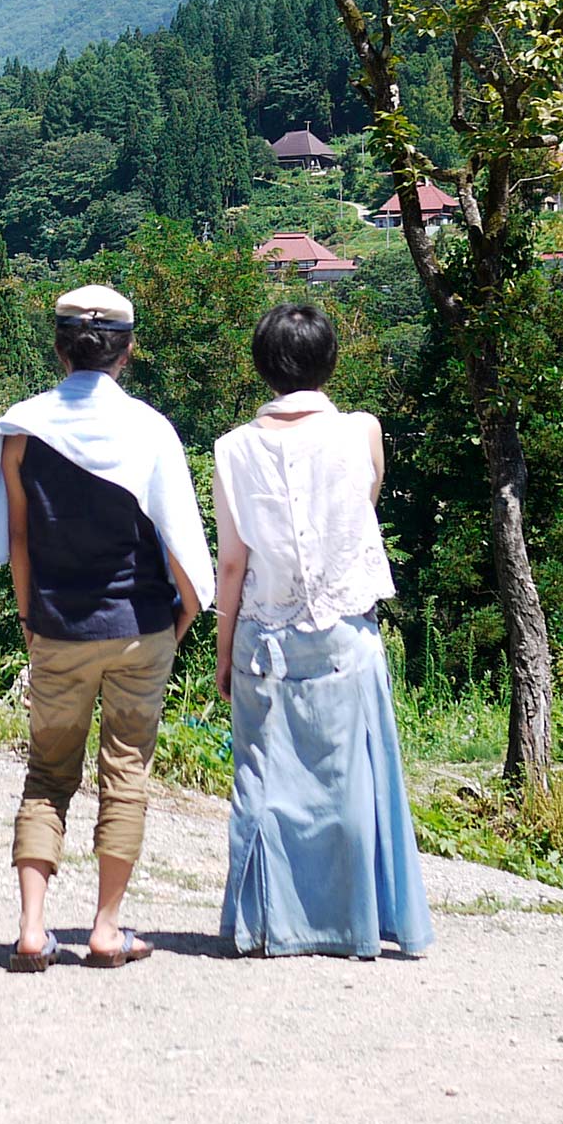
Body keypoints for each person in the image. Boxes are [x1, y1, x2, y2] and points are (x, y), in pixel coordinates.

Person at [0, 284, 210, 972]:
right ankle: (106, 929)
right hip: (141, 625)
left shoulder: (20, 430)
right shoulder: (149, 429)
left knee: (47, 773)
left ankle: (33, 930)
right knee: (125, 774)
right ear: (128, 351)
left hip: (57, 625)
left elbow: (17, 538)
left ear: (58, 345)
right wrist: (181, 618)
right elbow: (183, 544)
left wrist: (28, 621)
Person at [210, 302, 432, 958]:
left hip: (265, 635)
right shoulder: (363, 431)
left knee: (262, 782)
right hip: (345, 632)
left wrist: (222, 655)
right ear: (329, 360)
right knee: (351, 783)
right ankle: (355, 925)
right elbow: (360, 509)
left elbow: (231, 563)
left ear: (263, 366)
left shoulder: (232, 448)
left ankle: (264, 927)